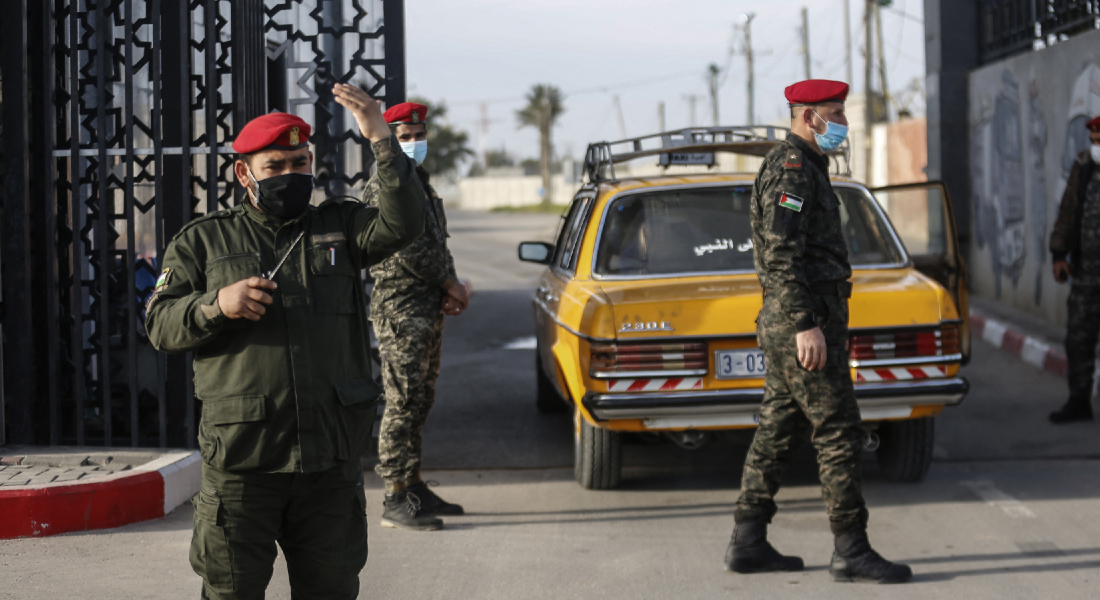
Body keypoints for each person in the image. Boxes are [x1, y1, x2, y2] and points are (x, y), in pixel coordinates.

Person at [145, 84, 426, 599]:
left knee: (332, 589)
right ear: (244, 173)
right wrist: (216, 306)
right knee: (232, 591)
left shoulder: (340, 227)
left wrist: (382, 139)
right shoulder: (203, 241)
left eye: (300, 162)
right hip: (243, 463)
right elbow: (160, 325)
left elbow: (406, 221)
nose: (292, 175)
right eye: (275, 166)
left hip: (328, 460)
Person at [725, 79, 912, 584]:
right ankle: (852, 549)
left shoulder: (807, 167)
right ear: (809, 117)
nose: (843, 123)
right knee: (839, 432)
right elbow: (781, 254)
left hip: (795, 321)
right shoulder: (792, 172)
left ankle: (748, 541)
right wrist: (807, 325)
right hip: (802, 325)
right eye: (835, 112)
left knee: (778, 430)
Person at [363, 102, 471, 531]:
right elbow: (406, 248)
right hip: (400, 307)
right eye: (403, 137)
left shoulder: (420, 183)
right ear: (387, 139)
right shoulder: (385, 187)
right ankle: (393, 496)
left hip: (425, 304)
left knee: (421, 397)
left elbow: (437, 245)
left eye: (417, 135)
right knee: (402, 399)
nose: (413, 143)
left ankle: (413, 484)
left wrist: (449, 285)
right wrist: (448, 283)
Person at [1048, 114, 1100, 424]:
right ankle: (1079, 401)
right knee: (1078, 338)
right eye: (1094, 140)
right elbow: (1067, 212)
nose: (1096, 145)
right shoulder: (1083, 170)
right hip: (1086, 274)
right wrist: (1059, 254)